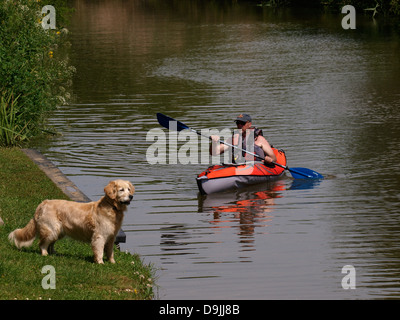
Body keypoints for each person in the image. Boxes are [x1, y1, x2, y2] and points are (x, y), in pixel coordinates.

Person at [209, 113, 277, 164]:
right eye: (238, 123)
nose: (239, 125)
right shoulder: (233, 139)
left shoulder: (259, 139)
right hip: (238, 168)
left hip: (257, 167)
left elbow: (274, 158)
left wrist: (269, 160)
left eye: (242, 123)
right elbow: (214, 153)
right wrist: (214, 142)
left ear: (249, 124)